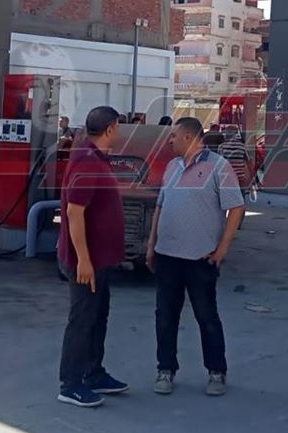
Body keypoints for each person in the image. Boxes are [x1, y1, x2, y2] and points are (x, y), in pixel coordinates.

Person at [145, 117, 245, 397]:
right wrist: (152, 243)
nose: (170, 140)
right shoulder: (171, 167)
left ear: (189, 137)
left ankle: (216, 371)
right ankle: (165, 369)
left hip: (201, 258)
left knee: (206, 316)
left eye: (173, 135)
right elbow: (160, 206)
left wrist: (223, 248)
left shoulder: (218, 167)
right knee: (165, 316)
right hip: (167, 256)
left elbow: (236, 207)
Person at [56, 106, 129, 408]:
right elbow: (74, 212)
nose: (119, 131)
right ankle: (71, 384)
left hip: (100, 260)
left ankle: (93, 373)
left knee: (98, 317)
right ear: (110, 128)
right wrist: (83, 260)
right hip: (86, 263)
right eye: (118, 126)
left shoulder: (94, 156)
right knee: (83, 321)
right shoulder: (87, 161)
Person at [217, 125, 252, 200]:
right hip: (240, 178)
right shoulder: (242, 146)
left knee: (227, 200)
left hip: (227, 178)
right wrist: (252, 177)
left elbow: (219, 164)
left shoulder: (222, 146)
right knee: (241, 200)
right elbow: (248, 163)